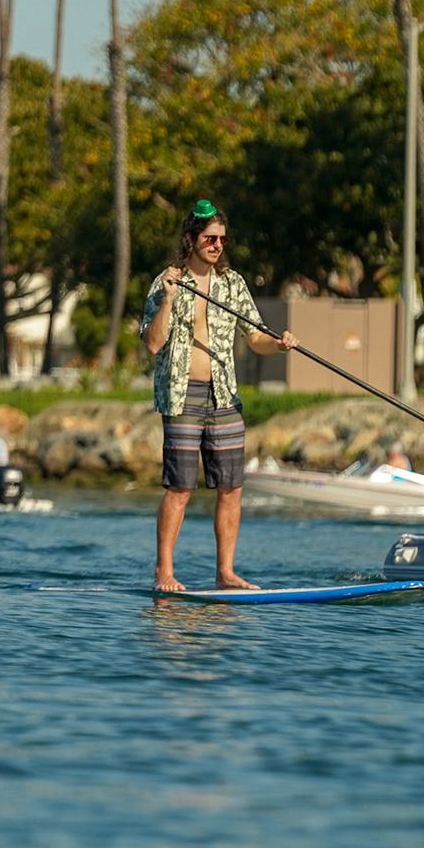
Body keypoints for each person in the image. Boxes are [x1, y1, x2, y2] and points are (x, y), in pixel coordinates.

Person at [141, 200, 298, 593]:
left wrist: (279, 344)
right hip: (181, 396)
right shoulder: (167, 281)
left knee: (231, 486)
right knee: (180, 487)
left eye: (223, 240)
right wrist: (168, 299)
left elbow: (256, 336)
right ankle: (164, 572)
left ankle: (225, 573)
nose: (217, 245)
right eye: (210, 238)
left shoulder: (233, 284)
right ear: (191, 239)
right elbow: (153, 343)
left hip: (224, 394)